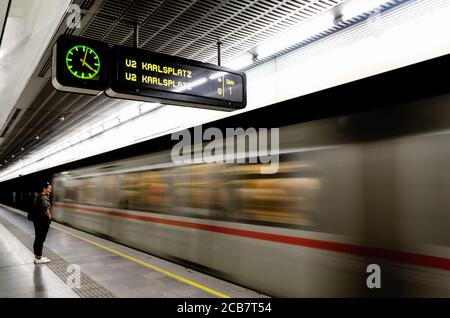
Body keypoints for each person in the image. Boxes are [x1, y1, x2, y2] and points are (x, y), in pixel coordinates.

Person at [33, 182, 52, 264]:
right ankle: (39, 258)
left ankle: (38, 256)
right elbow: (46, 210)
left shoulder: (39, 196)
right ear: (44, 188)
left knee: (38, 238)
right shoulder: (44, 197)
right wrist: (49, 218)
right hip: (42, 221)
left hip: (37, 220)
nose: (50, 191)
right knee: (40, 239)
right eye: (49, 188)